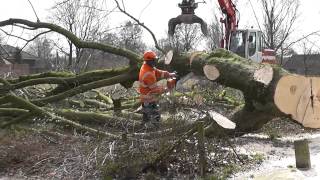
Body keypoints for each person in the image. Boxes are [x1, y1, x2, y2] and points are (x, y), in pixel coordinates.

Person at [139, 50, 176, 127]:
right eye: (154, 60)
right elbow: (156, 90)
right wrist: (168, 87)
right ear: (149, 61)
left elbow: (158, 72)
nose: (155, 61)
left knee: (146, 117)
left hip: (148, 98)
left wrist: (169, 74)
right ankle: (153, 133)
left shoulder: (147, 66)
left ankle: (143, 128)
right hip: (148, 99)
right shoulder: (148, 74)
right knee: (155, 118)